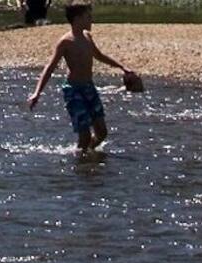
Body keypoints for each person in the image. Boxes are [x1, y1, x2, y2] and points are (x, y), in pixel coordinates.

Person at [25, 2, 136, 160]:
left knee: (102, 133)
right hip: (73, 90)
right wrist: (37, 93)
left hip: (89, 87)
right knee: (84, 135)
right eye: (88, 17)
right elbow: (49, 68)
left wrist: (121, 67)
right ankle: (82, 162)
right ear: (77, 19)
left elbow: (99, 55)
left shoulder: (87, 37)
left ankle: (86, 153)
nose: (91, 20)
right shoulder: (65, 42)